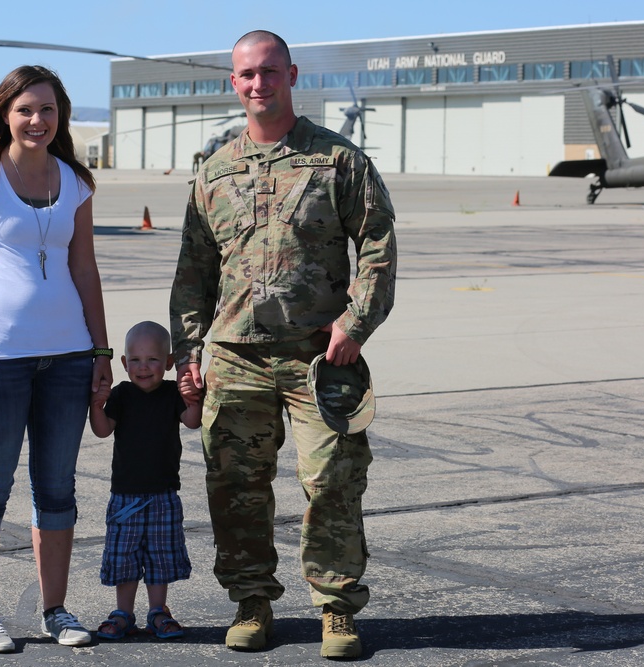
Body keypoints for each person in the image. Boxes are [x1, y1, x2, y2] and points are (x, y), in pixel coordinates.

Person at [169, 30, 397, 660]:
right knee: (236, 488)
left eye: (269, 72)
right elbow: (193, 270)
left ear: (292, 76)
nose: (258, 84)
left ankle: (337, 608)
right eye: (246, 75)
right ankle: (251, 602)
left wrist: (356, 324)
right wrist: (188, 351)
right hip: (237, 358)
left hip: (319, 359)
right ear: (233, 82)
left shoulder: (338, 161)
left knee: (332, 482)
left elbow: (377, 244)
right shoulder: (213, 173)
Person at [0, 65, 112, 654]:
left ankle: (55, 610)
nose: (38, 120)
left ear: (61, 117)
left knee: (57, 489)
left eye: (49, 110)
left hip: (67, 357)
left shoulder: (75, 181)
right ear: (6, 113)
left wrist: (101, 350)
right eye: (26, 109)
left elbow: (84, 267)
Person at [88, 321, 201, 641]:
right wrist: (96, 405)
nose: (143, 367)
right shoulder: (122, 394)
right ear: (124, 364)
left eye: (152, 359)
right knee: (124, 557)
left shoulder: (170, 394)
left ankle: (158, 611)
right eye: (135, 360)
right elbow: (102, 429)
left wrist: (192, 396)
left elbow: (193, 422)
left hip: (164, 495)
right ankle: (123, 613)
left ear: (168, 363)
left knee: (159, 557)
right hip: (125, 496)